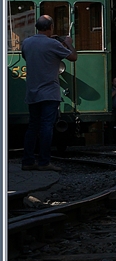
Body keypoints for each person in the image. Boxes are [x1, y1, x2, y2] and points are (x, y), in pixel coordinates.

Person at [21, 15, 76, 171]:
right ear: (51, 27)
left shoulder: (27, 43)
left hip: (32, 92)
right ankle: (44, 162)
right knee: (46, 127)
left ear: (37, 27)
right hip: (49, 93)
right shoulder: (53, 44)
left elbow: (27, 57)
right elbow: (73, 57)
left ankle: (28, 161)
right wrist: (68, 44)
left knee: (32, 127)